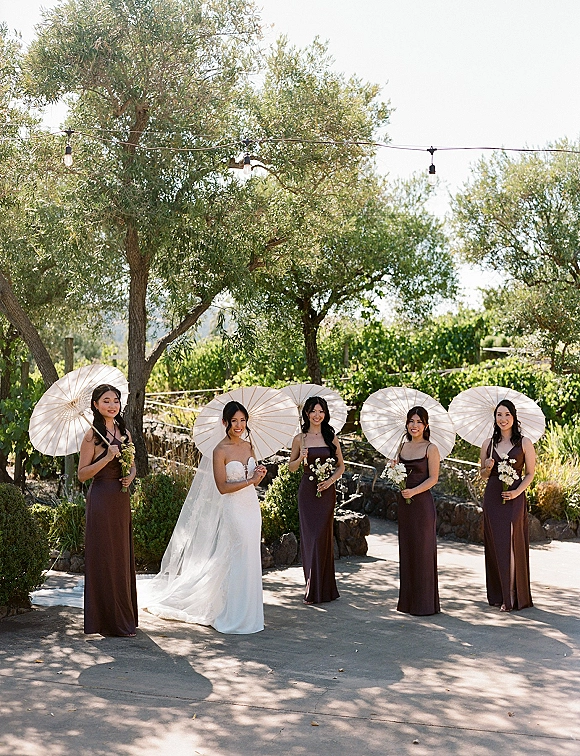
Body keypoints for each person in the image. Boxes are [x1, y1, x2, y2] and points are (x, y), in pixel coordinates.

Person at [142, 401, 267, 634]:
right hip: (234, 509)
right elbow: (222, 487)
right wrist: (251, 481)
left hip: (251, 506)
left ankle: (250, 613)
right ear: (225, 423)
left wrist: (258, 475)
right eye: (234, 421)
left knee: (250, 554)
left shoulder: (250, 446)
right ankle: (233, 614)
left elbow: (251, 478)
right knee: (238, 554)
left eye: (242, 420)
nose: (239, 425)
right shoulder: (220, 450)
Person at [78, 384, 138, 636]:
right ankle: (105, 621)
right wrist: (106, 458)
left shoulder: (125, 432)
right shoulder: (91, 435)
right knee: (105, 555)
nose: (112, 405)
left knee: (121, 555)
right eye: (106, 401)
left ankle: (124, 617)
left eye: (115, 400)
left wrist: (130, 476)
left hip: (120, 498)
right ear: (95, 405)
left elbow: (133, 466)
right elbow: (82, 475)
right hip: (101, 498)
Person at [480, 400, 535, 612]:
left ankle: (512, 596)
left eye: (507, 414)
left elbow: (530, 473)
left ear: (514, 416)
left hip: (515, 497)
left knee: (511, 543)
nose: (503, 419)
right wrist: (487, 467)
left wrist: (516, 492)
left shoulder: (524, 443)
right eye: (499, 415)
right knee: (496, 544)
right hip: (493, 497)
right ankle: (499, 593)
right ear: (494, 418)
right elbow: (483, 475)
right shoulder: (488, 444)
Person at [289, 396, 345, 604]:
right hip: (307, 493)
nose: (317, 415)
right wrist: (300, 458)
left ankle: (326, 589)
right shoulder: (299, 439)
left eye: (321, 411)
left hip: (327, 493)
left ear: (325, 413)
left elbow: (341, 466)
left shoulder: (331, 436)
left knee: (323, 538)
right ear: (306, 413)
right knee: (310, 539)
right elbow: (290, 467)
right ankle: (312, 588)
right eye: (313, 411)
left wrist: (330, 481)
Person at [395, 406, 441, 616]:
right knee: (407, 550)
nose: (414, 425)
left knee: (422, 551)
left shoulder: (431, 448)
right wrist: (394, 468)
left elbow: (433, 479)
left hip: (421, 505)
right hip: (405, 505)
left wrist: (413, 491)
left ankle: (424, 605)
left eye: (419, 422)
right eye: (411, 421)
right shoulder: (402, 447)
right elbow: (399, 474)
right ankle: (408, 602)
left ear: (426, 425)